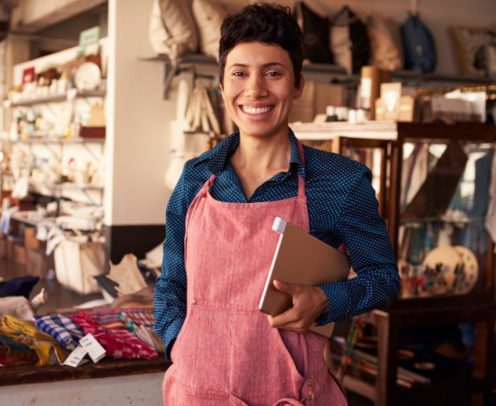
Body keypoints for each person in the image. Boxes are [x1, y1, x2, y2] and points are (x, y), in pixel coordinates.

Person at [154, 3, 400, 405]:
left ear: (298, 83)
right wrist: (179, 344)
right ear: (221, 86)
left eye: (273, 72)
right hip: (196, 392)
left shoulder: (340, 182)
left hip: (290, 394)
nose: (255, 91)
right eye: (239, 73)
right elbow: (171, 283)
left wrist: (325, 300)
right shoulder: (196, 179)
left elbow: (384, 279)